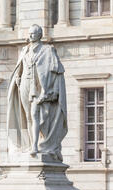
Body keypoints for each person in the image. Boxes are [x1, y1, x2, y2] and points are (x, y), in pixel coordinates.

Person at [7, 24, 68, 161]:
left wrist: (51, 90)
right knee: (28, 115)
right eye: (29, 33)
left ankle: (35, 145)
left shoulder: (47, 50)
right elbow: (20, 67)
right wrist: (18, 77)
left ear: (40, 34)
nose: (30, 36)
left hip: (38, 87)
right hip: (24, 85)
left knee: (35, 115)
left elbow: (55, 70)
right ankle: (30, 143)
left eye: (33, 33)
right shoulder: (25, 50)